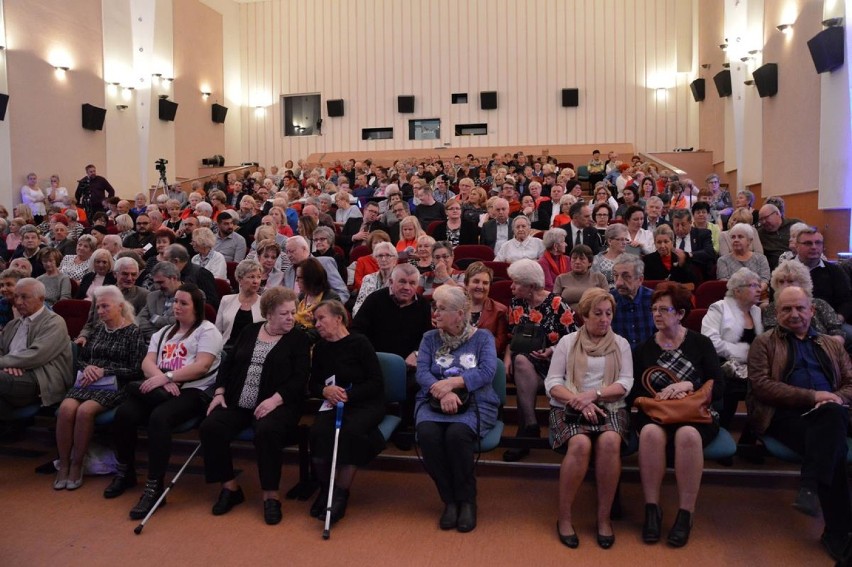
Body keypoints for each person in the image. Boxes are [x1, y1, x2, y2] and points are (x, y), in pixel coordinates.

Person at [748, 286, 852, 562]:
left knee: (832, 421)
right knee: (834, 444)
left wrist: (832, 399)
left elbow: (851, 383)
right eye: (786, 309)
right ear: (777, 313)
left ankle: (810, 486)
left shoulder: (831, 343)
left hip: (832, 413)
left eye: (800, 308)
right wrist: (813, 396)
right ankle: (840, 534)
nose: (794, 314)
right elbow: (761, 386)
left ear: (812, 310)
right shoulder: (765, 342)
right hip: (785, 417)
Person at [106, 284, 223, 520]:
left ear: (196, 307)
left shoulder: (207, 331)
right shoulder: (163, 333)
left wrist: (168, 377)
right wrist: (161, 379)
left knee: (160, 418)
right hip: (161, 387)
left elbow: (202, 366)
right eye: (175, 302)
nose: (176, 306)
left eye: (183, 303)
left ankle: (154, 485)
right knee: (124, 414)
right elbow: (147, 363)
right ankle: (126, 471)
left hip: (193, 390)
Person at [200, 288, 311, 525]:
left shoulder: (299, 339)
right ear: (269, 314)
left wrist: (275, 399)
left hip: (279, 402)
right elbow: (227, 363)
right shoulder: (250, 331)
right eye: (284, 313)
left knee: (267, 431)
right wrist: (219, 392)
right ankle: (230, 488)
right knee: (211, 426)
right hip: (239, 400)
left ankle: (271, 495)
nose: (291, 318)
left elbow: (300, 378)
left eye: (293, 312)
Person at [632, 282, 722, 548]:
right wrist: (655, 398)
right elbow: (636, 389)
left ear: (681, 313)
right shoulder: (644, 348)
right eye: (654, 309)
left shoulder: (701, 343)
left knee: (688, 435)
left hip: (696, 413)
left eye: (664, 309)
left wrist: (688, 385)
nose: (657, 314)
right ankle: (652, 508)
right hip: (658, 413)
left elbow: (719, 385)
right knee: (648, 433)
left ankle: (685, 513)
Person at [546, 288, 634, 549]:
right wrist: (578, 401)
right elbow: (552, 382)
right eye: (598, 313)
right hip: (568, 406)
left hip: (610, 405)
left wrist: (592, 396)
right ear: (584, 315)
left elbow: (625, 383)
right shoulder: (568, 342)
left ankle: (604, 518)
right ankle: (564, 517)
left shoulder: (621, 344)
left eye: (608, 314)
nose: (604, 319)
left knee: (609, 442)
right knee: (581, 444)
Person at [415, 285, 499, 533]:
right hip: (434, 399)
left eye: (442, 309)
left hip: (475, 400)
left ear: (460, 314)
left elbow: (486, 372)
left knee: (457, 436)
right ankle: (449, 499)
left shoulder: (483, 338)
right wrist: (444, 392)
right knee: (428, 435)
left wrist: (453, 383)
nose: (436, 313)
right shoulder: (429, 338)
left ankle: (467, 500)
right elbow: (421, 372)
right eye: (435, 308)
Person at [53, 286, 146, 490]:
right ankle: (64, 463)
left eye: (105, 306)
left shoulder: (133, 333)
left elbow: (136, 370)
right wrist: (89, 369)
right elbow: (81, 360)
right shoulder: (97, 330)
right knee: (67, 409)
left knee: (85, 411)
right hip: (88, 382)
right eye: (98, 307)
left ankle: (77, 465)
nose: (100, 311)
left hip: (114, 385)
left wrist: (104, 371)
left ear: (119, 307)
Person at [308, 300, 385, 524]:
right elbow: (313, 383)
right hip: (332, 402)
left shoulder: (360, 343)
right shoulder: (321, 348)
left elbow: (376, 382)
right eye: (315, 320)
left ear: (338, 318)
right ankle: (326, 489)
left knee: (350, 433)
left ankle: (340, 495)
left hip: (365, 403)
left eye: (321, 318)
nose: (317, 324)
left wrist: (348, 395)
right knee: (318, 432)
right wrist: (325, 390)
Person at [503, 259, 578, 462]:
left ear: (531, 286)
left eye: (516, 283)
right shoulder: (516, 303)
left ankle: (526, 430)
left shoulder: (556, 303)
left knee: (521, 366)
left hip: (556, 363)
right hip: (526, 363)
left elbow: (574, 339)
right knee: (519, 362)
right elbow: (511, 337)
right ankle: (529, 424)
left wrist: (552, 350)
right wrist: (507, 358)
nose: (511, 286)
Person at [0, 278, 73, 417]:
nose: (19, 302)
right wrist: (7, 365)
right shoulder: (13, 324)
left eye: (24, 297)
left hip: (41, 379)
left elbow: (36, 355)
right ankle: (10, 427)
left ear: (41, 298)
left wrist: (4, 363)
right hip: (11, 374)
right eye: (16, 296)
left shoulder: (54, 322)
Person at [701, 268, 763, 428]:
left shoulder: (757, 311)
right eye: (753, 285)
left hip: (752, 369)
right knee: (736, 388)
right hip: (723, 367)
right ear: (737, 290)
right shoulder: (719, 308)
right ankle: (720, 429)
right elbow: (709, 342)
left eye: (759, 285)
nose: (759, 289)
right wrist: (743, 353)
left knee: (767, 388)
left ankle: (753, 436)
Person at [762, 260, 845, 341]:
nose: (785, 285)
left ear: (803, 283)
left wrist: (829, 347)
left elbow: (836, 330)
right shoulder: (772, 308)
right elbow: (773, 338)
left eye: (790, 281)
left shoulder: (820, 304)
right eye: (781, 281)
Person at [282, 236, 349, 304]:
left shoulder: (324, 263)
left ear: (304, 249)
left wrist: (327, 309)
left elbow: (342, 293)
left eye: (292, 251)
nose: (289, 255)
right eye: (287, 252)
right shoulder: (288, 271)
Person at [216, 259, 264, 349]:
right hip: (226, 348)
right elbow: (217, 331)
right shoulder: (226, 300)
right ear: (240, 279)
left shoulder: (264, 303)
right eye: (251, 277)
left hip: (253, 351)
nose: (256, 281)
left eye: (259, 277)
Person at [610, 253, 655, 349]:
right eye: (615, 275)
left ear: (640, 279)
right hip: (618, 357)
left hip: (649, 359)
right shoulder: (608, 301)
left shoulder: (654, 300)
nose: (618, 283)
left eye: (626, 276)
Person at [464, 262, 509, 357]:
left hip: (486, 359)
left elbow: (499, 345)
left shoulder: (500, 311)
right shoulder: (455, 307)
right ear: (466, 283)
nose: (480, 287)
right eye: (476, 281)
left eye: (485, 283)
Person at [553, 244, 609, 312]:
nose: (577, 262)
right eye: (574, 258)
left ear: (590, 262)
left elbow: (607, 300)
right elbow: (556, 303)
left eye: (582, 259)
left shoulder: (599, 278)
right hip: (566, 316)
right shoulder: (561, 278)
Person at [163, 243, 220, 309]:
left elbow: (212, 303)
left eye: (166, 260)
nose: (163, 264)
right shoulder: (171, 275)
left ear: (175, 261)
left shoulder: (201, 274)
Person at [295, 258, 341, 337]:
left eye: (299, 278)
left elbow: (327, 329)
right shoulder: (301, 296)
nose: (296, 280)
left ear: (310, 278)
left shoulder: (331, 298)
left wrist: (301, 336)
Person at [138, 262, 182, 342]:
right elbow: (140, 321)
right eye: (156, 282)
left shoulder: (192, 295)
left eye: (161, 282)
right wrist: (159, 337)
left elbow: (182, 322)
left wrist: (158, 320)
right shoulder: (152, 296)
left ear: (174, 278)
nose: (157, 287)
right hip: (151, 343)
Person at [353, 242, 397, 316]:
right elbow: (358, 306)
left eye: (388, 255)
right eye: (380, 256)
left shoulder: (400, 280)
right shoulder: (368, 279)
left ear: (395, 260)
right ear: (376, 259)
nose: (383, 259)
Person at [757, 204, 801, 271]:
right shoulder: (759, 234)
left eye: (766, 218)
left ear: (777, 214)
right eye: (761, 219)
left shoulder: (795, 224)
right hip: (776, 272)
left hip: (799, 265)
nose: (763, 222)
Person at [592, 224, 630, 289]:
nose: (624, 242)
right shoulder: (597, 260)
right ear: (610, 241)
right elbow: (595, 283)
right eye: (620, 239)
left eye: (626, 239)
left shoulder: (630, 260)